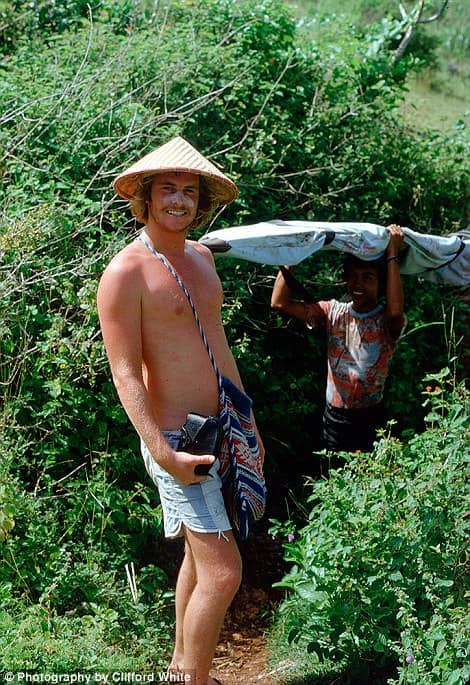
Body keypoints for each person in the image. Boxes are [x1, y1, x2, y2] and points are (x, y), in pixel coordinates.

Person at [97, 135, 264, 685]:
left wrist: (248, 426)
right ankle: (193, 679)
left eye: (189, 191)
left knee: (199, 561)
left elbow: (218, 345)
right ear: (143, 199)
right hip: (174, 437)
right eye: (167, 189)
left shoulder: (199, 258)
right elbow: (125, 372)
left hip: (220, 430)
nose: (179, 200)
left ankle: (179, 668)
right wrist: (162, 451)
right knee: (223, 572)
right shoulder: (125, 273)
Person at [271, 224, 406, 458]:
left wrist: (392, 253)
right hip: (335, 418)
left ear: (381, 284)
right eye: (353, 277)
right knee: (336, 478)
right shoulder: (333, 312)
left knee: (370, 481)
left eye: (368, 278)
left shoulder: (386, 321)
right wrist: (291, 256)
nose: (358, 284)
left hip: (371, 417)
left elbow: (396, 312)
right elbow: (279, 303)